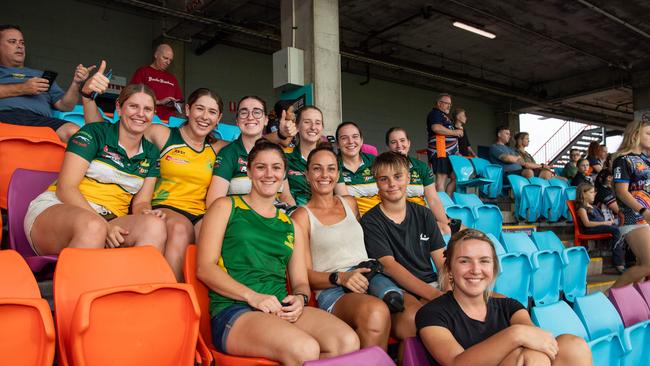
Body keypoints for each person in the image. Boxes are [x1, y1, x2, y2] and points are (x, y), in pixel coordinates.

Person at [197, 140, 359, 365]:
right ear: (250, 172)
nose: (268, 174)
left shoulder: (290, 224)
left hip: (279, 307)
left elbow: (301, 282)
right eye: (261, 167)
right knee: (305, 349)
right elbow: (205, 268)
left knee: (347, 341)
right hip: (235, 310)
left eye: (276, 168)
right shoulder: (225, 206)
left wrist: (300, 300)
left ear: (284, 176)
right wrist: (252, 296)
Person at [83, 82, 224, 280]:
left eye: (211, 112)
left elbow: (255, 146)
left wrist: (282, 134)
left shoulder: (218, 147)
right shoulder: (162, 134)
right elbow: (112, 133)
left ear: (218, 119)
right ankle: (169, 290)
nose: (204, 117)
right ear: (188, 109)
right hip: (165, 206)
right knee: (180, 229)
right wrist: (88, 98)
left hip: (199, 213)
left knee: (219, 234)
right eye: (199, 109)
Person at [24, 83, 166, 256]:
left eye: (147, 109)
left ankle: (133, 282)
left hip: (111, 220)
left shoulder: (151, 152)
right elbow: (66, 188)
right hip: (60, 208)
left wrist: (146, 212)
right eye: (133, 106)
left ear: (154, 115)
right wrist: (102, 223)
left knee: (154, 225)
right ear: (119, 108)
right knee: (93, 227)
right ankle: (77, 283)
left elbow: (141, 202)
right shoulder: (93, 133)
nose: (141, 114)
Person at [416, 229, 592, 366]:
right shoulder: (432, 313)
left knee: (572, 345)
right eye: (464, 261)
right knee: (523, 357)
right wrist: (515, 334)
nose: (475, 269)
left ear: (493, 270)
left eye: (484, 261)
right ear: (449, 270)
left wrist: (525, 339)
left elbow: (536, 341)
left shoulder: (509, 306)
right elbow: (456, 363)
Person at [292, 145, 401, 350]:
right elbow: (304, 274)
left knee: (409, 313)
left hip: (370, 278)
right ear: (307, 174)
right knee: (375, 312)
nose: (325, 175)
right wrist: (342, 277)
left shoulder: (350, 203)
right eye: (317, 169)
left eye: (331, 168)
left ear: (338, 173)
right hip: (334, 289)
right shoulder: (301, 216)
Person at [361, 151, 446, 342]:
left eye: (398, 177)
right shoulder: (371, 221)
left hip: (431, 284)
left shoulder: (424, 214)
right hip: (398, 289)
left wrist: (448, 290)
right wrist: (434, 295)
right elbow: (390, 266)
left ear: (408, 178)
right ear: (376, 183)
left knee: (491, 305)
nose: (392, 184)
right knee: (416, 320)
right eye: (384, 179)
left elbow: (442, 262)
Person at [0, 24, 95, 142]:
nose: (19, 46)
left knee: (77, 134)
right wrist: (23, 88)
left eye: (22, 43)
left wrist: (76, 83)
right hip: (4, 116)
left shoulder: (39, 74)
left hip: (40, 120)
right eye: (12, 42)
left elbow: (66, 106)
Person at [207, 95, 295, 207]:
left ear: (266, 120)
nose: (250, 117)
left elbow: (286, 196)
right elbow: (213, 203)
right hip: (240, 219)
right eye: (244, 113)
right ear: (237, 121)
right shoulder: (229, 153)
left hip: (276, 218)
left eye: (257, 112)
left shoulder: (277, 153)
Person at [386, 127, 451, 234]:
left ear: (409, 143)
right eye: (393, 142)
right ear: (388, 146)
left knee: (460, 230)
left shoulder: (421, 167)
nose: (399, 145)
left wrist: (445, 222)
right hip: (398, 218)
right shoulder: (383, 168)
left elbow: (433, 199)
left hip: (422, 215)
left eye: (402, 140)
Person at [611, 120, 650, 287]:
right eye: (648, 133)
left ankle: (629, 300)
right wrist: (643, 211)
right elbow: (621, 191)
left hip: (645, 217)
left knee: (644, 266)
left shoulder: (646, 160)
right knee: (648, 264)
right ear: (635, 135)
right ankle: (608, 296)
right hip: (632, 217)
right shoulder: (623, 160)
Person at [286, 106, 348, 206]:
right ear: (297, 126)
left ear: (322, 128)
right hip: (297, 215)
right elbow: (286, 198)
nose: (313, 127)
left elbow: (343, 196)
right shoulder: (285, 159)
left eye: (318, 123)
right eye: (307, 122)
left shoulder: (333, 159)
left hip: (327, 215)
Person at [575, 183, 624, 273]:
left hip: (600, 227)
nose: (594, 194)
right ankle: (618, 263)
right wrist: (605, 223)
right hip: (590, 230)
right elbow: (587, 224)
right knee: (616, 230)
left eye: (594, 192)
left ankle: (625, 260)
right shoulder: (582, 208)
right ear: (583, 194)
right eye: (591, 192)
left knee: (622, 229)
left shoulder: (594, 207)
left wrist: (610, 222)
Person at [130, 44, 183, 120]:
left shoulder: (172, 78)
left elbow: (179, 101)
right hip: (147, 120)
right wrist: (159, 102)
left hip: (168, 123)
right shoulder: (143, 72)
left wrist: (175, 103)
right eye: (165, 58)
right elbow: (134, 95)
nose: (168, 62)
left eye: (170, 60)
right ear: (156, 55)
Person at [336, 121, 379, 215]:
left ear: (361, 140)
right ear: (337, 144)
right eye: (344, 138)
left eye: (355, 136)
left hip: (380, 220)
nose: (351, 141)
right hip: (350, 220)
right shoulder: (333, 165)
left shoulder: (376, 162)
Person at [426, 93, 460, 194]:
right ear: (439, 103)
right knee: (441, 180)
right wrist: (455, 132)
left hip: (450, 153)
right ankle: (441, 206)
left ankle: (447, 201)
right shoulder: (435, 113)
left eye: (450, 104)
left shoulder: (444, 116)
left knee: (455, 177)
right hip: (441, 151)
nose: (449, 106)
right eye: (446, 103)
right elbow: (436, 128)